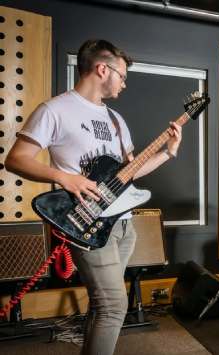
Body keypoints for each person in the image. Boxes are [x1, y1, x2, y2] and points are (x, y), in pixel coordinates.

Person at [5, 39, 183, 355]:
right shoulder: (55, 110)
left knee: (103, 306)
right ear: (103, 69)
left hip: (122, 224)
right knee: (115, 305)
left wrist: (168, 153)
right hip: (86, 221)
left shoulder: (116, 120)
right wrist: (64, 177)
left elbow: (130, 174)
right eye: (123, 75)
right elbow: (16, 158)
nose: (125, 84)